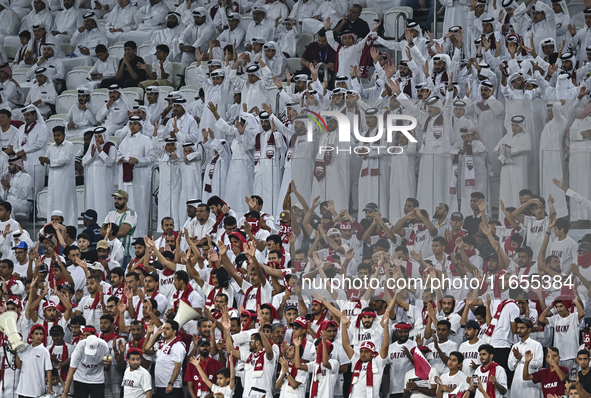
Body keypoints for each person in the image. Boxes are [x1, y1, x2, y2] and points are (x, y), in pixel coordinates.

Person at [116, 116, 154, 237]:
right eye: (131, 123)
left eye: (135, 124)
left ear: (140, 125)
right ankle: (126, 232)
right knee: (127, 204)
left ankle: (139, 234)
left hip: (139, 179)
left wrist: (138, 160)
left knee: (139, 204)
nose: (132, 126)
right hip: (125, 178)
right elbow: (119, 153)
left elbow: (151, 157)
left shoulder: (145, 139)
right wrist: (119, 159)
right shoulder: (125, 140)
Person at [39, 126, 78, 226]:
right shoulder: (51, 146)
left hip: (65, 181)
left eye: (58, 135)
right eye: (55, 135)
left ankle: (69, 227)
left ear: (64, 135)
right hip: (53, 182)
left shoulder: (69, 145)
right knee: (52, 203)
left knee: (66, 204)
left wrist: (49, 161)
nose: (56, 138)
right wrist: (42, 160)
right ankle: (52, 227)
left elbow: (65, 160)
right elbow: (47, 157)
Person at [82, 127, 117, 223]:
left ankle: (104, 223)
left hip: (104, 181)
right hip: (92, 180)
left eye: (99, 136)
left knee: (103, 201)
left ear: (104, 136)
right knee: (92, 200)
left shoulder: (111, 147)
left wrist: (101, 152)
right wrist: (92, 155)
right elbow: (84, 162)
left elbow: (110, 162)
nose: (97, 139)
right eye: (96, 136)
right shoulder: (92, 147)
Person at [143, 320, 186, 398]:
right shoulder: (163, 344)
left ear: (174, 331)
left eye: (167, 329)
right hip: (160, 385)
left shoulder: (177, 345)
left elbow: (178, 366)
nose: (164, 331)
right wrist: (155, 333)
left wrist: (171, 383)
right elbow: (146, 348)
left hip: (172, 387)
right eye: (164, 328)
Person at [61, 334, 112, 398]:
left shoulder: (104, 347)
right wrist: (65, 393)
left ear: (98, 345)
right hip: (80, 378)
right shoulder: (79, 347)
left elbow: (106, 368)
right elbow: (71, 371)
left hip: (97, 379)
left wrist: (108, 364)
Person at [14, 105, 48, 196]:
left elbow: (39, 143)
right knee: (24, 188)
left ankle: (36, 208)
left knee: (36, 188)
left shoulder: (42, 127)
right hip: (22, 162)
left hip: (35, 163)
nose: (26, 117)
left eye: (28, 115)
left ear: (34, 115)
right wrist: (19, 152)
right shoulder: (21, 128)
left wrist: (24, 151)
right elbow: (15, 143)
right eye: (25, 115)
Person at [16, 324, 54, 397]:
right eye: (36, 334)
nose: (39, 336)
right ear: (32, 335)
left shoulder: (44, 351)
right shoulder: (25, 349)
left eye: (41, 334)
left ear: (43, 336)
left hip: (36, 391)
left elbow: (48, 370)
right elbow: (19, 366)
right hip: (22, 390)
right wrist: (17, 352)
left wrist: (50, 388)